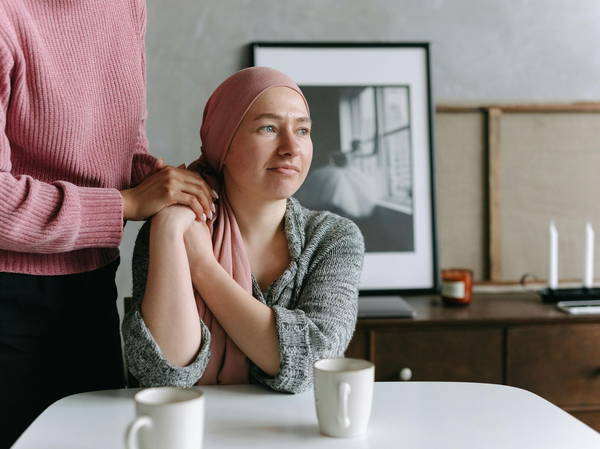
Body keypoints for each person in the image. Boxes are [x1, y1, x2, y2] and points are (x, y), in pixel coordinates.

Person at [0, 2, 217, 446]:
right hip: (9, 297)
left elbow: (124, 141)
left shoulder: (127, 6)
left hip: (94, 282)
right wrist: (126, 204)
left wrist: (165, 181)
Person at [122, 67, 365, 393]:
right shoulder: (175, 226)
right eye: (268, 128)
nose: (291, 147)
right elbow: (164, 376)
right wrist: (167, 228)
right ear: (223, 141)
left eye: (303, 131)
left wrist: (204, 267)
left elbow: (313, 364)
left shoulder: (333, 238)